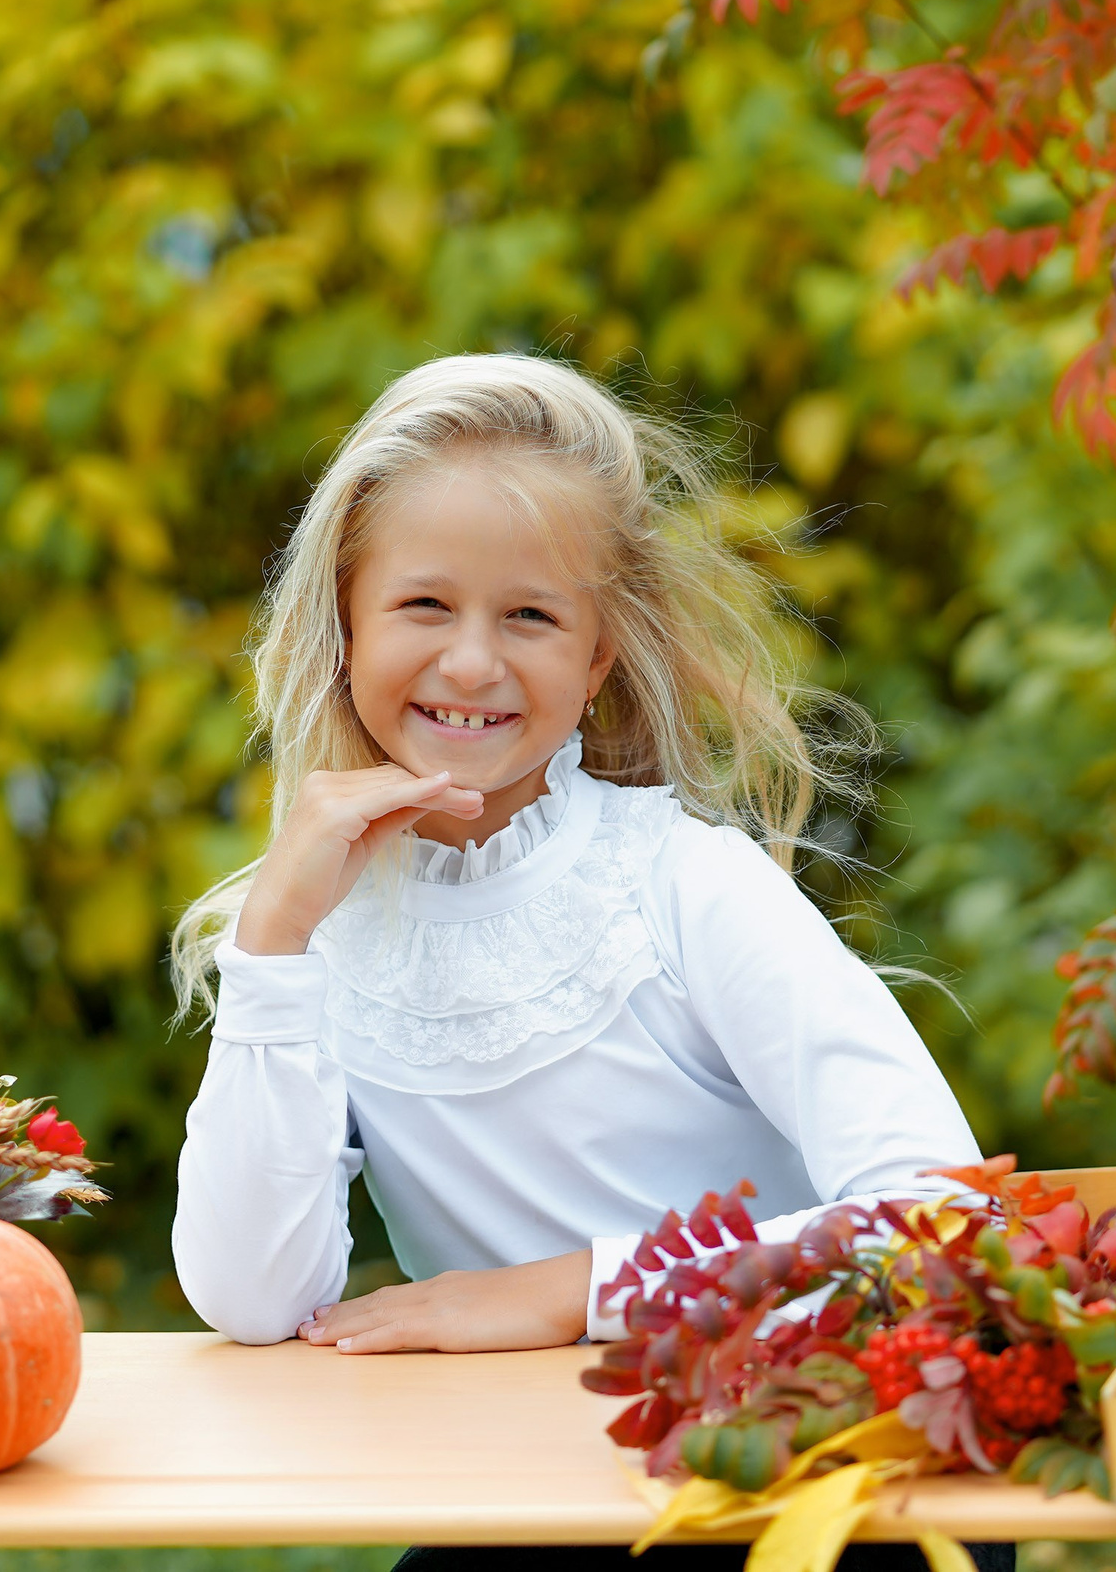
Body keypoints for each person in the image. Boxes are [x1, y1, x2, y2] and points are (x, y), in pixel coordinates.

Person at [170, 354, 1006, 1569]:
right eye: (421, 606)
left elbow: (947, 1224)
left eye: (530, 615)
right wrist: (277, 945)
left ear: (597, 656)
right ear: (344, 626)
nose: (470, 663)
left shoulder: (685, 888)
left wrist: (571, 1290)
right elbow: (249, 1299)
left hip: (803, 1494)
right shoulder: (311, 933)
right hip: (521, 1508)